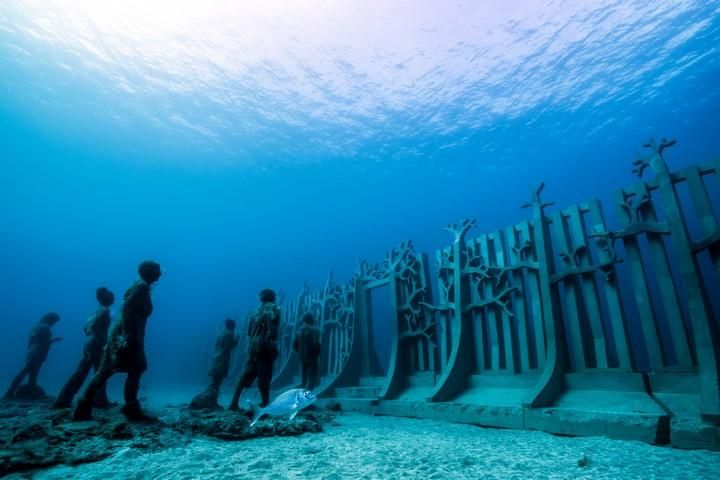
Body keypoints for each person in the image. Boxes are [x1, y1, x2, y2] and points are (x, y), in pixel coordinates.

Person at [73, 261, 161, 421]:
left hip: (127, 332)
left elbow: (128, 309)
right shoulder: (141, 287)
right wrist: (127, 336)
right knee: (133, 368)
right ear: (150, 272)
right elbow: (128, 310)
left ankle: (84, 406)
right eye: (158, 271)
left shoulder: (139, 285)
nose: (161, 274)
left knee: (108, 369)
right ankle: (131, 410)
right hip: (129, 333)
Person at [53, 287, 115, 409]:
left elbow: (86, 328)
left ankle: (63, 399)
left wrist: (93, 337)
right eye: (112, 298)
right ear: (107, 298)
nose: (114, 300)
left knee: (80, 372)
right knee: (100, 372)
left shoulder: (95, 310)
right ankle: (100, 401)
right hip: (97, 344)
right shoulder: (105, 311)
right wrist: (106, 342)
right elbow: (97, 328)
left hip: (88, 343)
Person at [228, 289, 281, 410]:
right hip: (265, 347)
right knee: (265, 376)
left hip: (252, 347)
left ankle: (233, 403)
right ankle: (265, 403)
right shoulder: (275, 308)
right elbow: (273, 331)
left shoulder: (254, 311)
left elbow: (250, 332)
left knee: (245, 374)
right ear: (273, 297)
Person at [4, 312, 62, 399]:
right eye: (54, 321)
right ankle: (9, 393)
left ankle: (26, 393)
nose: (54, 324)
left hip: (31, 352)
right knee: (28, 373)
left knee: (29, 374)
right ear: (50, 319)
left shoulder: (36, 327)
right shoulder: (45, 328)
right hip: (37, 353)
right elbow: (44, 343)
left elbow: (31, 342)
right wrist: (53, 340)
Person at [190, 318, 240, 409]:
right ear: (233, 326)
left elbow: (218, 346)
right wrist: (236, 341)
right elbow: (228, 347)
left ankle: (211, 401)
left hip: (216, 359)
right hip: (222, 361)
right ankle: (209, 402)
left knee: (215, 382)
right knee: (217, 383)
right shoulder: (230, 333)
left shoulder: (221, 333)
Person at [292, 312, 322, 390]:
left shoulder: (299, 331)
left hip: (302, 358)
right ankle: (306, 397)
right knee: (311, 379)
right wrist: (318, 353)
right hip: (312, 358)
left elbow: (294, 346)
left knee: (304, 378)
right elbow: (316, 345)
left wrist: (300, 352)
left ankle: (304, 398)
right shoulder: (314, 331)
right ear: (312, 320)